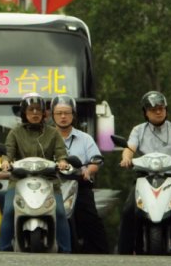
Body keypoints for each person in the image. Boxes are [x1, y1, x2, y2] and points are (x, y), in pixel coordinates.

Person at [117, 91, 171, 255]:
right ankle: (124, 254)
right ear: (145, 112)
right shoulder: (138, 130)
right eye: (153, 109)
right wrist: (126, 159)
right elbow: (129, 148)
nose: (158, 111)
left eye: (161, 108)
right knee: (128, 210)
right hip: (144, 178)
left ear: (166, 109)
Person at [0, 93, 72, 253]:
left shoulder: (53, 133)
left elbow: (61, 153)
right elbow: (8, 152)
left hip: (49, 180)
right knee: (9, 211)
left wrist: (62, 162)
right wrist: (5, 162)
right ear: (24, 112)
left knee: (60, 212)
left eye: (38, 110)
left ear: (44, 113)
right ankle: (3, 250)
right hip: (18, 180)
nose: (35, 113)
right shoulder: (15, 133)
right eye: (31, 110)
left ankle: (66, 252)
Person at [51, 95, 108, 254]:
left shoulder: (85, 138)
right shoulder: (45, 137)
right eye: (59, 113)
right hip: (52, 185)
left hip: (78, 183)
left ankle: (102, 257)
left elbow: (96, 161)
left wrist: (88, 171)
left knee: (91, 219)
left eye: (67, 113)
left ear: (73, 115)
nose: (63, 117)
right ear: (52, 115)